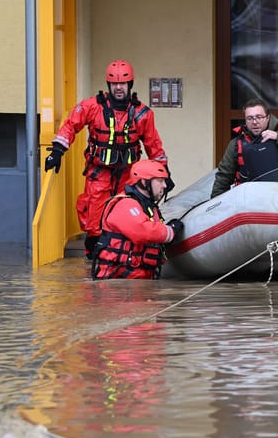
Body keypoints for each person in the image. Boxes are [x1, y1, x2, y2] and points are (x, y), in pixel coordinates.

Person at [45, 59, 168, 258]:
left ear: (130, 85)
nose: (118, 88)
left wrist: (163, 174)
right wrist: (57, 151)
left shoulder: (143, 114)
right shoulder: (92, 107)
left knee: (127, 214)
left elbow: (154, 146)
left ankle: (122, 258)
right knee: (94, 220)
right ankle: (94, 262)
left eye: (122, 83)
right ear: (108, 85)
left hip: (129, 176)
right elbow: (70, 125)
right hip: (99, 173)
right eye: (114, 83)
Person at [91, 159, 183, 280]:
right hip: (119, 279)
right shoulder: (125, 204)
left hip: (139, 277)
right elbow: (144, 232)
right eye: (160, 181)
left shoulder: (149, 207)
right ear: (144, 182)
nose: (165, 185)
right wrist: (171, 231)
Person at [211, 98, 278, 198]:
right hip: (251, 202)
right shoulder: (236, 144)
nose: (254, 122)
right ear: (245, 120)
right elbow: (223, 177)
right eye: (250, 118)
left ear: (267, 118)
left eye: (259, 117)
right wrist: (214, 206)